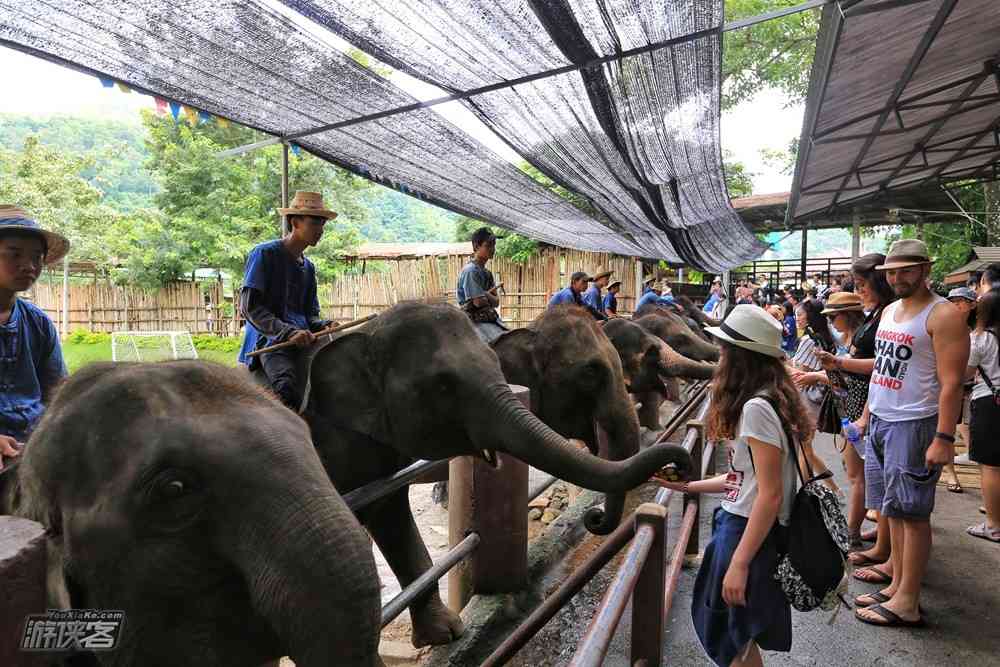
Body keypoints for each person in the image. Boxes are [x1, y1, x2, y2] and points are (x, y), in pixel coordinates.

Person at [656, 305, 804, 667]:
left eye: (724, 351)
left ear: (741, 358)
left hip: (746, 534)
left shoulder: (757, 409)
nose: (719, 358)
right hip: (739, 525)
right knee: (735, 638)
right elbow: (744, 478)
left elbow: (770, 495)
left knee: (731, 637)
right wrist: (690, 487)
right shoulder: (769, 399)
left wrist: (739, 563)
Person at [852, 239, 969, 628]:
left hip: (916, 423)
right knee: (893, 510)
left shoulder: (944, 315)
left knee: (913, 514)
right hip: (884, 419)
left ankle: (908, 602)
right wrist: (868, 415)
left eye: (906, 270)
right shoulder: (889, 311)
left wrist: (944, 437)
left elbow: (951, 383)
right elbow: (884, 366)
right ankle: (897, 583)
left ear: (925, 270)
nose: (897, 277)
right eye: (892, 272)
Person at [815, 253, 895, 579]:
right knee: (871, 479)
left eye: (862, 285)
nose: (860, 291)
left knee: (862, 478)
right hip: (863, 404)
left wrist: (839, 365)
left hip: (869, 405)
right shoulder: (878, 314)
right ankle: (879, 542)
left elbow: (882, 369)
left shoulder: (882, 317)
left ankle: (853, 534)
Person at [238, 191, 336, 411]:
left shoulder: (309, 268)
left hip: (302, 340)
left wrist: (323, 325)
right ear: (295, 222)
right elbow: (250, 307)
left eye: (322, 224)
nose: (320, 230)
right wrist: (288, 332)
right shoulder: (264, 254)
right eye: (314, 223)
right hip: (270, 341)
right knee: (287, 390)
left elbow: (310, 314)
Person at [0, 205, 69, 471]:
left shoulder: (37, 323)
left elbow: (58, 394)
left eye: (37, 257)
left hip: (34, 445)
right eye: (14, 254)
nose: (28, 266)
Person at [965, 287, 1000, 543]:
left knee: (991, 466)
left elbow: (965, 373)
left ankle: (994, 524)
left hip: (990, 403)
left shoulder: (981, 339)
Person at [945, 286, 978, 488]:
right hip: (949, 386)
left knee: (967, 425)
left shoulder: (979, 329)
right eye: (952, 301)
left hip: (973, 388)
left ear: (973, 304)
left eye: (961, 301)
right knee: (947, 429)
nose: (956, 305)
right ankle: (950, 474)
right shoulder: (945, 326)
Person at [457, 227, 507, 343]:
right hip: (474, 322)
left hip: (489, 317)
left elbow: (496, 302)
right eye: (488, 245)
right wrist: (485, 297)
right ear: (476, 246)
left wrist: (484, 294)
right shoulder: (470, 271)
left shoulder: (487, 273)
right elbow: (478, 302)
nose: (493, 249)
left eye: (494, 245)